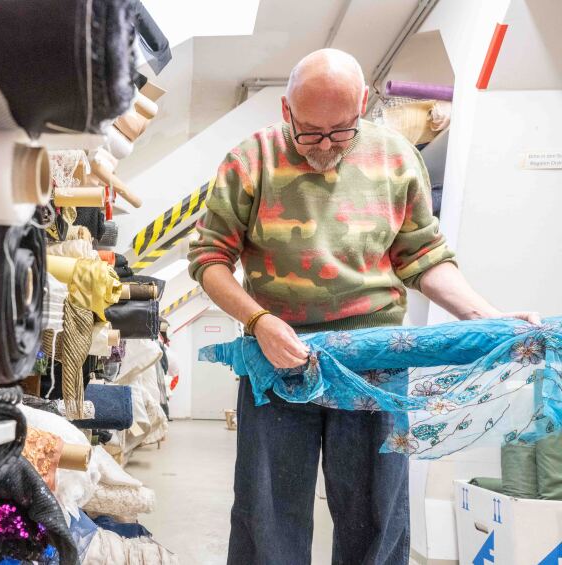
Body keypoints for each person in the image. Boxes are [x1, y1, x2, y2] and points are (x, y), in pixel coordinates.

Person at [187, 48, 540, 565]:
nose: (325, 146)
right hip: (279, 358)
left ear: (363, 107)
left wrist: (483, 315)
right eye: (309, 132)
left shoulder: (397, 158)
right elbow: (209, 259)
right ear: (286, 112)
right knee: (268, 515)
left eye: (341, 131)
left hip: (375, 359)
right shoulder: (250, 161)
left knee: (377, 516)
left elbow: (423, 257)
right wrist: (257, 320)